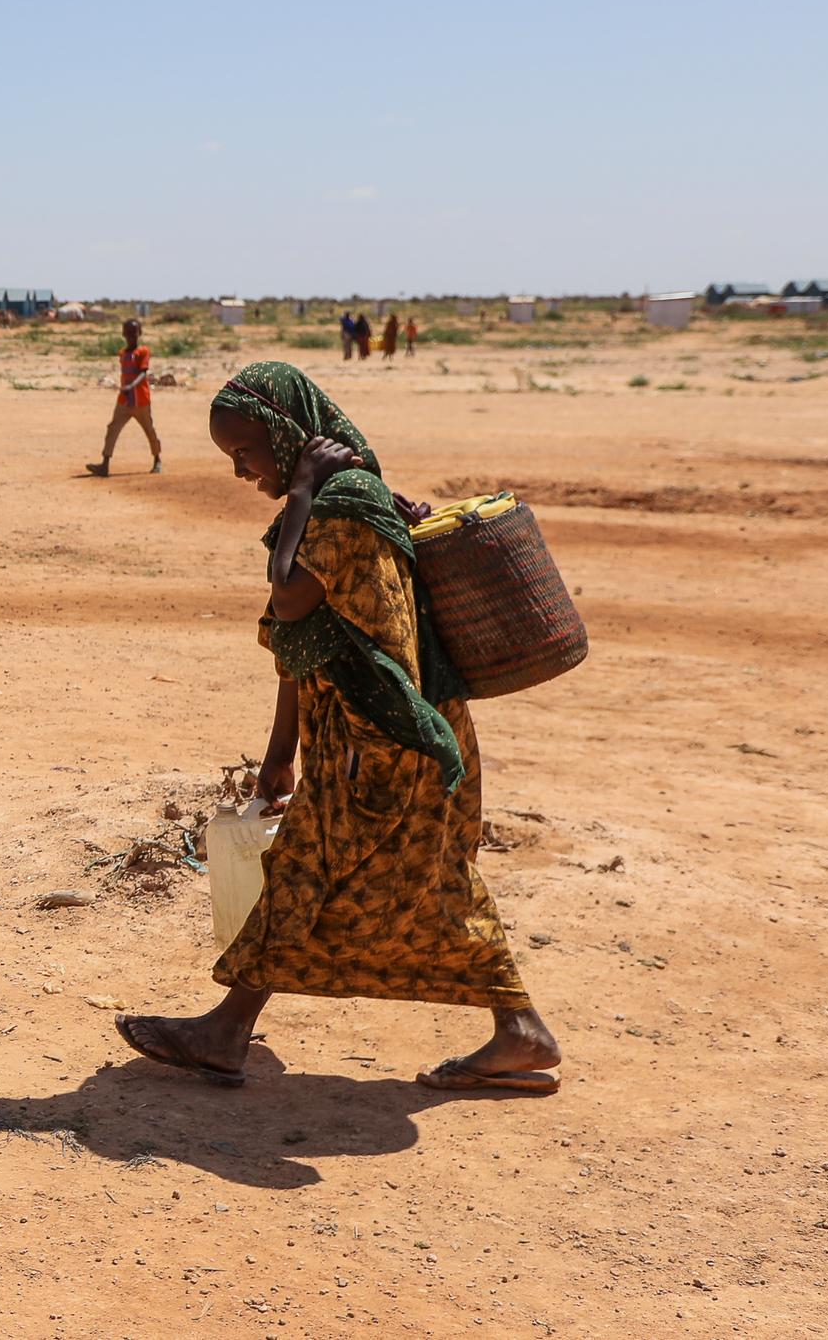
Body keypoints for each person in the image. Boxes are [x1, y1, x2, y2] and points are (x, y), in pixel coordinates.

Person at [113, 362, 562, 1093]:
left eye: (247, 452)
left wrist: (298, 494)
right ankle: (519, 1031)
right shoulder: (350, 497)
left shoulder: (341, 502)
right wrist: (280, 752)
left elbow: (291, 602)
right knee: (430, 882)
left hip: (378, 741)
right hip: (389, 737)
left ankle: (226, 1033)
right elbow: (308, 645)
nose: (241, 471)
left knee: (308, 873)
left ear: (288, 434)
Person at [86, 317, 163, 477]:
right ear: (123, 334)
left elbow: (143, 373)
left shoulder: (143, 352)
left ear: (139, 333)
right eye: (128, 333)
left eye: (133, 333)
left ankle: (157, 459)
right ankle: (105, 464)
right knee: (113, 428)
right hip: (124, 400)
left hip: (141, 400)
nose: (131, 336)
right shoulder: (123, 354)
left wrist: (131, 386)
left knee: (149, 430)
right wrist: (126, 388)